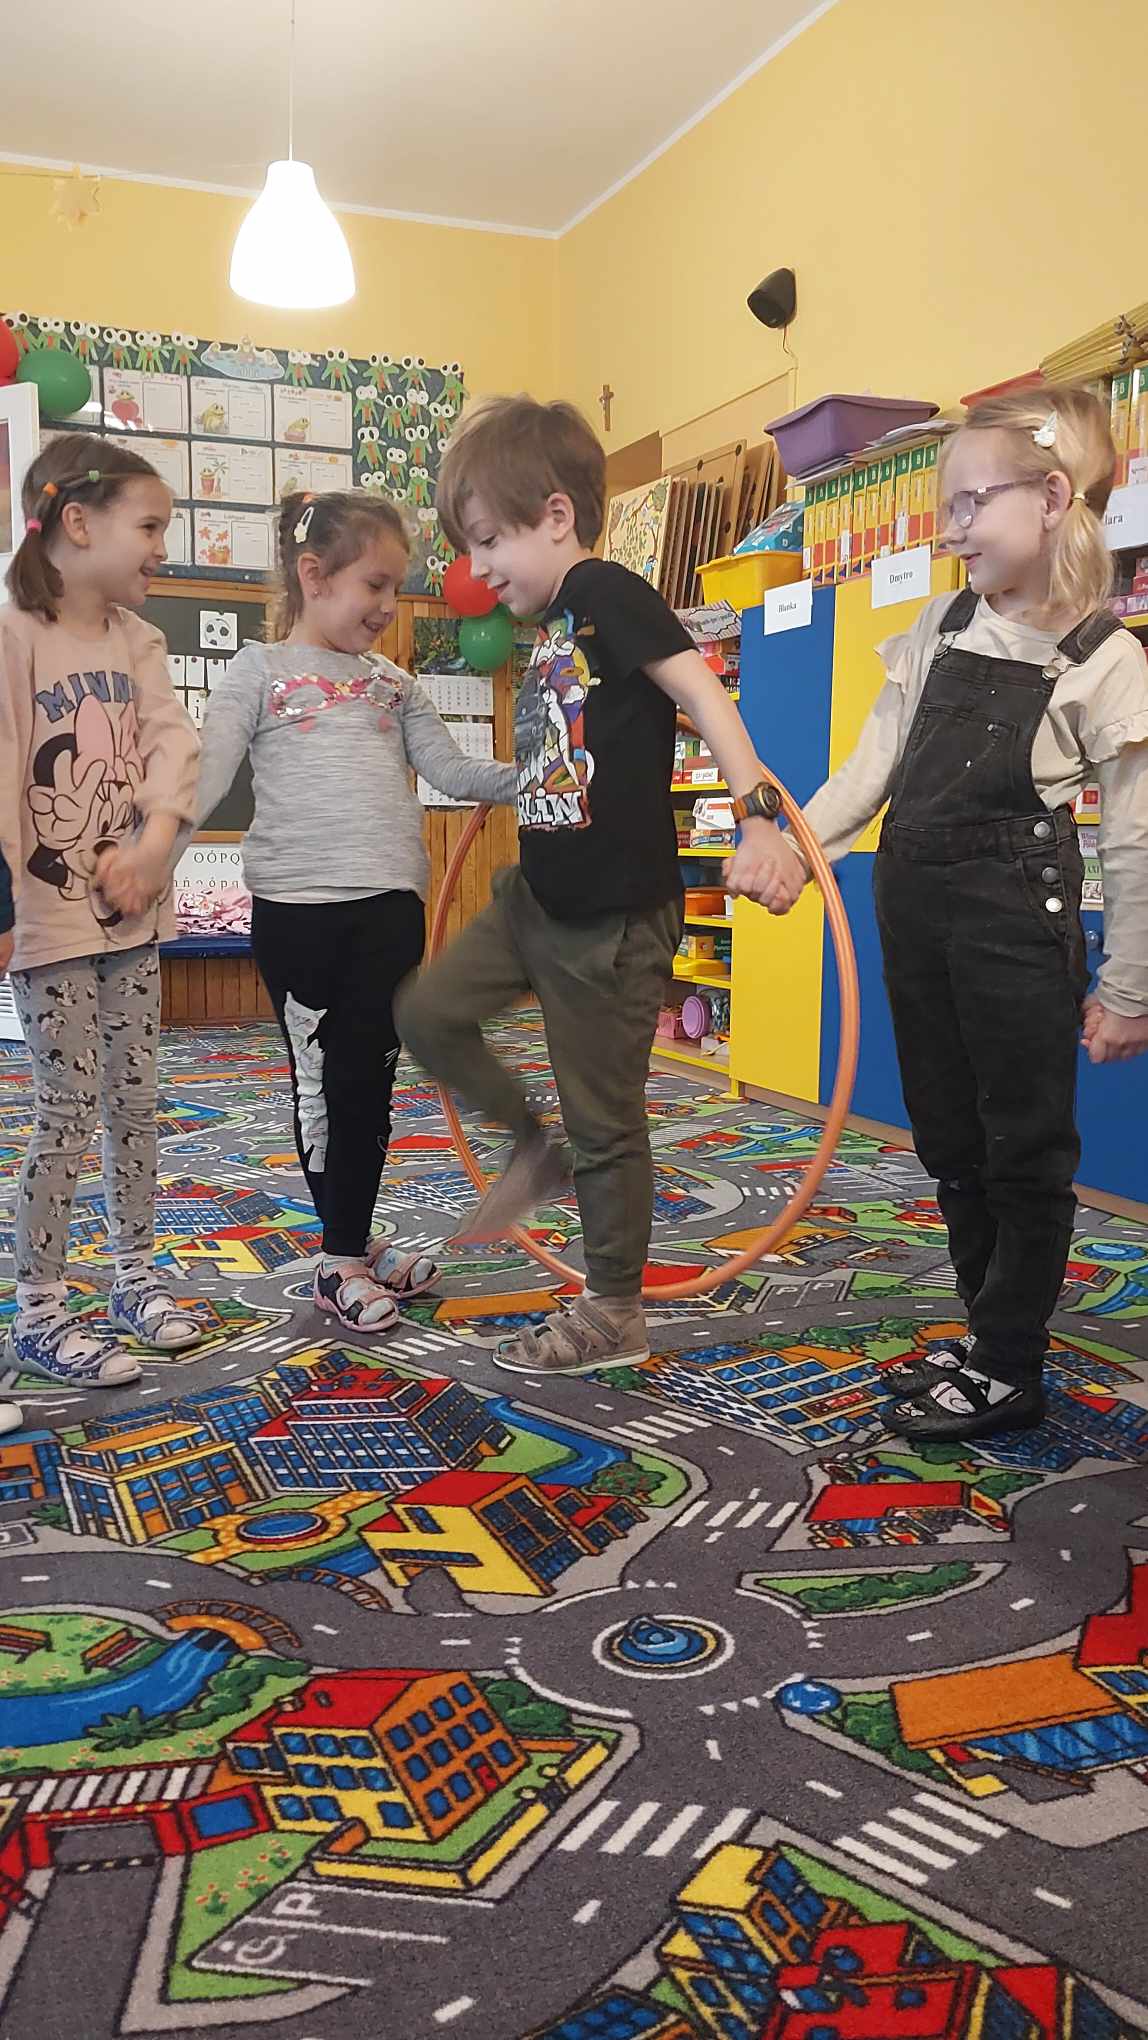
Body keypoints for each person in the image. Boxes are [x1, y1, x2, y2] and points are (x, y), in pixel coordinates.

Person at [397, 396, 803, 1377]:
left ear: (554, 516)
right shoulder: (549, 625)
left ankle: (613, 1309)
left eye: (488, 540)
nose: (478, 567)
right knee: (426, 1013)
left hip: (612, 922)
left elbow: (702, 691)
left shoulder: (608, 592)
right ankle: (528, 1149)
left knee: (604, 1122)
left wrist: (756, 815)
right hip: (534, 898)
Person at [786, 384, 1148, 1442]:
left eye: (968, 504)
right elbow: (869, 769)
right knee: (948, 1137)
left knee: (1020, 1147)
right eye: (943, 508)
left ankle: (1009, 1362)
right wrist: (799, 848)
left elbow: (1133, 841)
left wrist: (1129, 985)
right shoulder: (939, 627)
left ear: (1051, 498)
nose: (949, 531)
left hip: (1012, 927)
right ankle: (987, 1328)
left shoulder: (1104, 657)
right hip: (916, 918)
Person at [194, 489, 516, 1336]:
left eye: (395, 587)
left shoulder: (393, 686)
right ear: (313, 575)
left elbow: (453, 771)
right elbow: (204, 775)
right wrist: (151, 848)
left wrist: (540, 777)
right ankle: (340, 1255)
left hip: (389, 908)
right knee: (321, 1081)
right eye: (375, 585)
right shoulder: (258, 670)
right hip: (298, 912)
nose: (387, 606)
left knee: (368, 1081)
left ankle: (349, 1245)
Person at [0, 434, 204, 1385]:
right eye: (150, 526)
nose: (162, 548)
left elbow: (173, 748)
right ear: (76, 523)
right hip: (50, 927)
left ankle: (134, 1278)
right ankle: (38, 1312)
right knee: (67, 1110)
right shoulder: (14, 636)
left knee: (136, 1102)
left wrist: (155, 845)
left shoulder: (138, 640)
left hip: (132, 919)